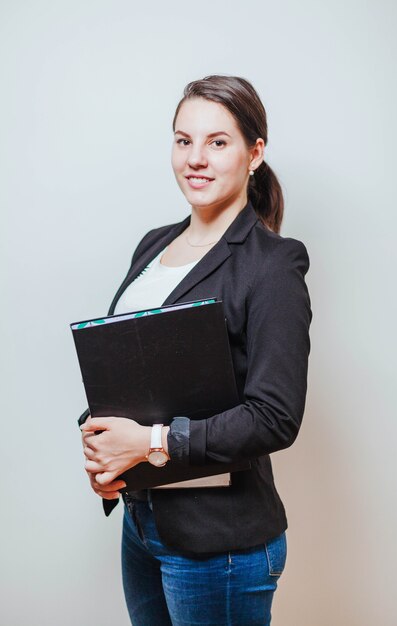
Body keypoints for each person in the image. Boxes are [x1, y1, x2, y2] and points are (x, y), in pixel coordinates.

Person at [79, 75, 311, 626]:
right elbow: (129, 368)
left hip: (218, 546)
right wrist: (103, 449)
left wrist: (150, 443)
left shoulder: (273, 264)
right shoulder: (153, 245)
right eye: (183, 141)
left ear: (255, 153)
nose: (195, 159)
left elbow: (275, 417)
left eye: (217, 142)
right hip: (143, 524)